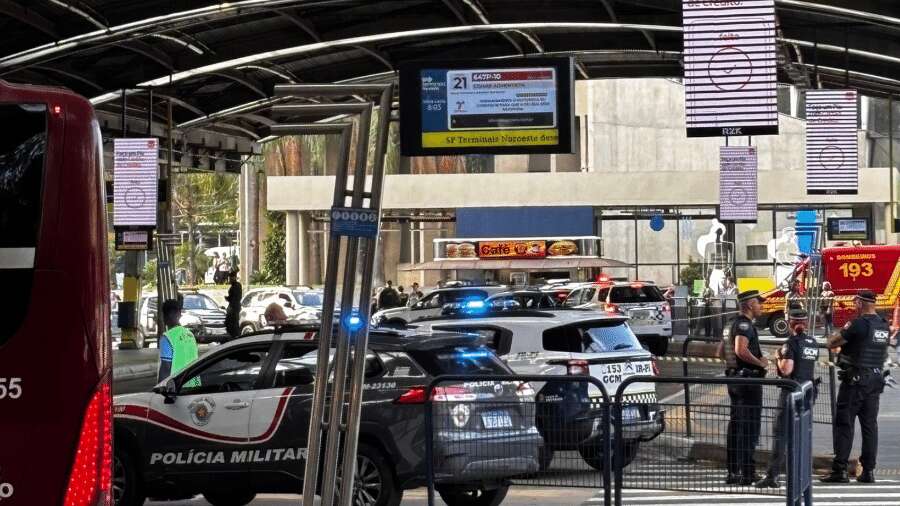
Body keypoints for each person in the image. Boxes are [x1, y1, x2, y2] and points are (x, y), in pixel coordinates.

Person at [822, 290, 891, 484]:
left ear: (861, 303)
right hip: (875, 381)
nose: (854, 304)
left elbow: (832, 342)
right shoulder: (883, 325)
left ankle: (840, 470)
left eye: (855, 301)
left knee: (845, 424)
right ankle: (868, 471)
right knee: (870, 426)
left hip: (855, 382)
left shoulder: (858, 324)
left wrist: (838, 333)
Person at [756, 308, 819, 488]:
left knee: (780, 434)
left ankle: (772, 475)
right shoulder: (813, 343)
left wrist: (777, 357)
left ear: (790, 323)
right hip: (807, 393)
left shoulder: (790, 344)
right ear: (805, 323)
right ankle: (800, 472)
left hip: (791, 394)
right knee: (801, 434)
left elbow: (786, 370)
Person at [723, 290, 769, 485]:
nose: (761, 306)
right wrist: (760, 363)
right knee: (749, 427)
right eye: (759, 303)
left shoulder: (729, 324)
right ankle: (747, 473)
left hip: (735, 379)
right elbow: (740, 350)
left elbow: (721, 351)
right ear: (750, 304)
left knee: (736, 426)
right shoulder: (744, 325)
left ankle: (733, 471)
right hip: (747, 381)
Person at [157, 299, 200, 386]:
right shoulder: (190, 335)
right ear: (180, 314)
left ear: (165, 316)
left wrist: (159, 388)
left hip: (177, 388)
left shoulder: (167, 338)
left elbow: (166, 368)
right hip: (194, 385)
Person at [224, 269, 242, 339]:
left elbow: (235, 297)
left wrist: (228, 298)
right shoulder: (235, 286)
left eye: (231, 278)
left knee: (232, 324)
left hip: (233, 308)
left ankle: (234, 336)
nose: (230, 279)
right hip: (234, 307)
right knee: (230, 323)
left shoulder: (236, 286)